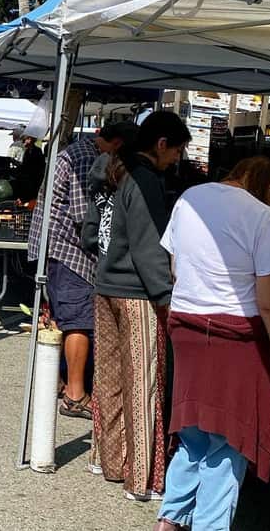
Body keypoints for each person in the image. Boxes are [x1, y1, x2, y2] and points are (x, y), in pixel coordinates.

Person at [156, 156, 270, 531]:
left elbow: (175, 269)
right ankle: (209, 525)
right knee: (229, 440)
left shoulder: (189, 199)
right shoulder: (265, 217)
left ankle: (170, 519)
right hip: (235, 338)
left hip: (186, 326)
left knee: (193, 433)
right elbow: (269, 300)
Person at [89, 110, 191, 504]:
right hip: (136, 293)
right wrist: (166, 299)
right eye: (178, 149)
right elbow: (150, 248)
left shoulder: (119, 171)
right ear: (162, 144)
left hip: (108, 284)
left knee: (110, 380)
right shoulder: (146, 179)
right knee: (143, 384)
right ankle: (141, 479)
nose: (179, 158)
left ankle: (109, 460)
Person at [30, 122, 134, 420]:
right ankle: (76, 395)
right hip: (68, 251)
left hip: (53, 247)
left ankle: (60, 382)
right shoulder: (87, 158)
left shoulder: (75, 151)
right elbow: (83, 214)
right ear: (114, 142)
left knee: (64, 317)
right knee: (79, 321)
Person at [11, 134, 46, 203]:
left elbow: (36, 167)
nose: (23, 143)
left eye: (25, 140)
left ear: (30, 140)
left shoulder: (37, 151)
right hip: (27, 179)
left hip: (33, 180)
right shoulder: (27, 151)